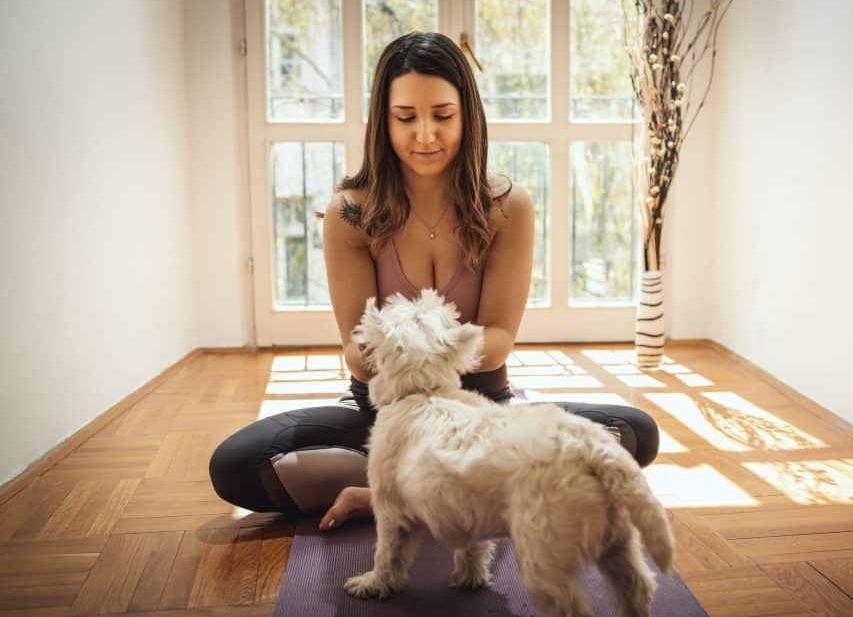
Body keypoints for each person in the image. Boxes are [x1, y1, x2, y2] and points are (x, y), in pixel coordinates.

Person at [208, 31, 660, 533]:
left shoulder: (508, 208)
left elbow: (499, 342)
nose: (425, 135)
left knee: (635, 433)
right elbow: (359, 353)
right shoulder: (350, 214)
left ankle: (387, 495)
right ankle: (469, 487)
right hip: (386, 422)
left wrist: (417, 345)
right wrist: (420, 353)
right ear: (384, 120)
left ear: (468, 116)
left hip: (482, 413)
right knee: (234, 464)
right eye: (406, 118)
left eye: (442, 116)